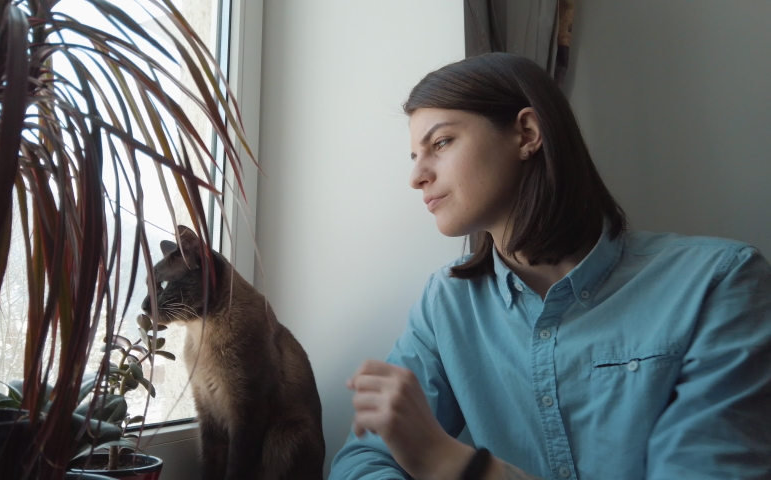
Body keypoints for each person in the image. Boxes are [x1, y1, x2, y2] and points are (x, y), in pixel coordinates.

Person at [328, 53, 771, 480]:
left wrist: (459, 467)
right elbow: (362, 461)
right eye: (413, 156)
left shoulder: (719, 282)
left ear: (526, 133)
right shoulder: (446, 303)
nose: (417, 176)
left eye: (440, 143)